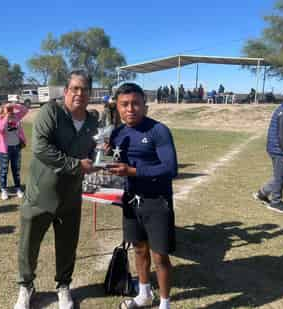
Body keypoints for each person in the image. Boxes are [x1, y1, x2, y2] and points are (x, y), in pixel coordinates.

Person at [15, 70, 98, 309]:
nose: (79, 94)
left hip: (71, 197)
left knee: (67, 246)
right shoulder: (50, 112)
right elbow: (40, 148)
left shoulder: (93, 121)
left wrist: (98, 156)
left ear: (90, 93)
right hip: (40, 195)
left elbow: (94, 150)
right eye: (75, 88)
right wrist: (76, 165)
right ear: (66, 91)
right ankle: (26, 286)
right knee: (29, 246)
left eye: (84, 89)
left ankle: (63, 286)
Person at [107, 83, 178, 309]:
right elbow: (112, 161)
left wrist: (133, 171)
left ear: (145, 106)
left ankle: (165, 304)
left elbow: (171, 168)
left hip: (157, 201)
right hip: (130, 200)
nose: (130, 109)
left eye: (136, 104)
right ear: (117, 107)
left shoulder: (158, 130)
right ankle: (144, 294)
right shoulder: (117, 133)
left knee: (160, 256)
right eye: (124, 104)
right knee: (138, 249)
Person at [254, 88, 283, 213]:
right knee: (281, 175)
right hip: (279, 150)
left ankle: (262, 193)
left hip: (277, 148)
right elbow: (282, 134)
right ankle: (276, 202)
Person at [0, 102, 28, 200]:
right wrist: (6, 117)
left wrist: (14, 104)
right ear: (2, 109)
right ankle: (4, 190)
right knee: (4, 170)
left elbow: (25, 110)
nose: (10, 110)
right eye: (8, 108)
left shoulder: (16, 116)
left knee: (16, 170)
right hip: (4, 149)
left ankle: (18, 188)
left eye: (11, 109)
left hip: (16, 147)